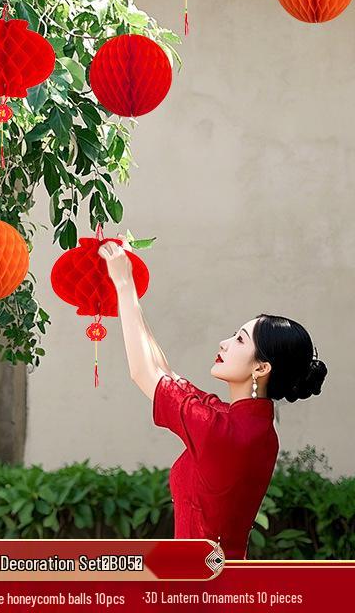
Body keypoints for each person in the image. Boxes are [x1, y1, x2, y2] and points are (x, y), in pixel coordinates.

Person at [99, 238, 328, 559]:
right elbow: (164, 372)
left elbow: (144, 374)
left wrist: (122, 283)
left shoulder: (222, 431)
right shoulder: (253, 428)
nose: (223, 343)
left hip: (201, 585)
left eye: (239, 339)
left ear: (262, 367)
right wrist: (130, 291)